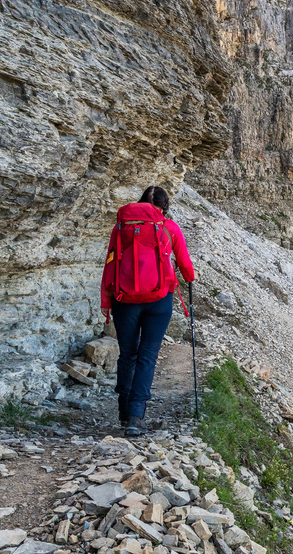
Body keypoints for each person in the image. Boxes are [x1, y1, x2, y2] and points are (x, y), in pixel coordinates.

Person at [100, 186, 195, 436]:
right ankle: (136, 416)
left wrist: (106, 300)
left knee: (127, 354)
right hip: (159, 299)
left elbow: (110, 261)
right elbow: (184, 261)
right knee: (147, 356)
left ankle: (123, 411)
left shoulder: (121, 228)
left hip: (124, 299)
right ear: (164, 207)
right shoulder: (169, 227)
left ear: (141, 203)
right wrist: (190, 277)